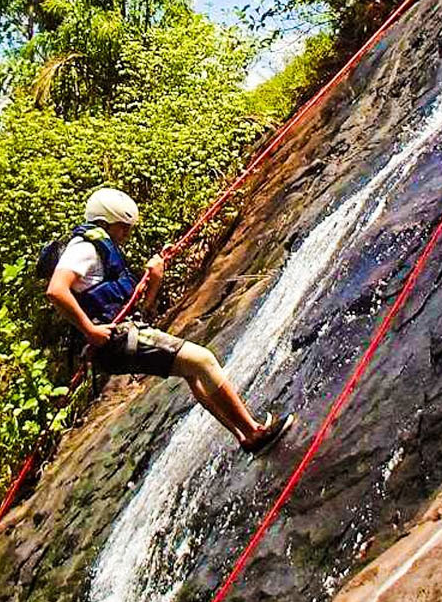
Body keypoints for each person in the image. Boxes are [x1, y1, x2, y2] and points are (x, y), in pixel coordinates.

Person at [44, 187, 291, 453]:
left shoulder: (100, 253)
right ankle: (255, 431)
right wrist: (90, 330)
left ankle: (244, 437)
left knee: (192, 372)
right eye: (122, 228)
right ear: (104, 222)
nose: (126, 235)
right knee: (204, 361)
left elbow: (139, 310)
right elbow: (56, 290)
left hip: (123, 335)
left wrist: (155, 278)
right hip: (114, 340)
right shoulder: (85, 248)